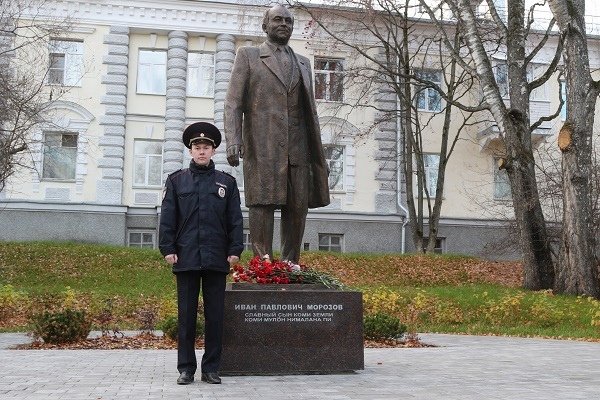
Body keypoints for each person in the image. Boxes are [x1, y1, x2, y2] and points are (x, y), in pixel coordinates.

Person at [224, 4, 330, 264]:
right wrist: (233, 140)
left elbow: (308, 111)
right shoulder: (248, 56)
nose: (284, 24)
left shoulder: (303, 63)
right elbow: (233, 102)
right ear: (265, 25)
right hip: (263, 147)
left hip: (299, 147)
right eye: (278, 20)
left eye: (289, 21)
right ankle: (263, 265)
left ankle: (291, 264)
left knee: (297, 208)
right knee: (262, 204)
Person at [159, 122, 243, 385]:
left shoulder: (226, 183)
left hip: (217, 258)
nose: (202, 151)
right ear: (190, 150)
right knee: (186, 316)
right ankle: (186, 368)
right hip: (185, 257)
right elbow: (168, 218)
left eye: (206, 147)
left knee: (215, 317)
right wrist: (168, 248)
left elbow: (235, 220)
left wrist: (234, 249)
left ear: (213, 150)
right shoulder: (176, 180)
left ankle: (211, 368)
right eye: (197, 147)